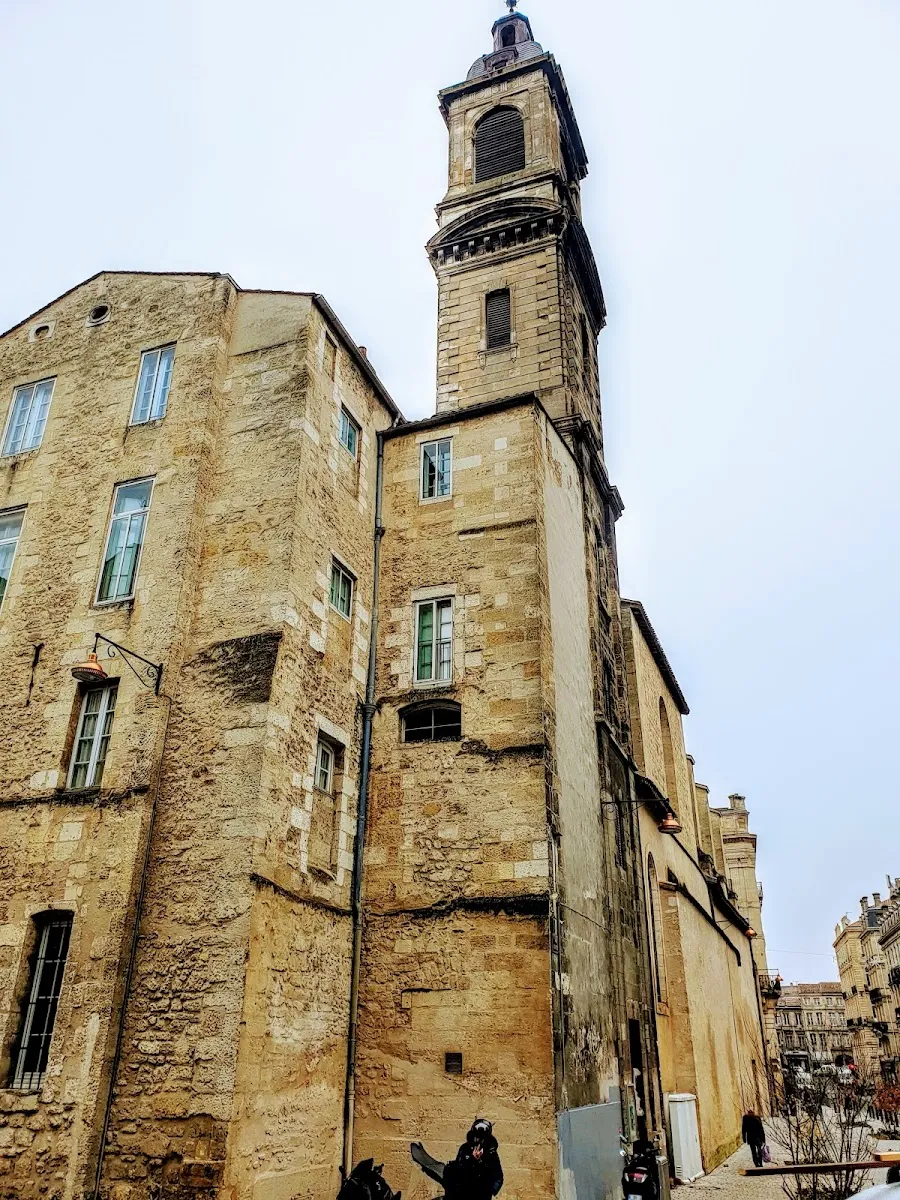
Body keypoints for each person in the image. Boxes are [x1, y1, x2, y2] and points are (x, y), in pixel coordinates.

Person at [412, 1118, 504, 1199]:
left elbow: (498, 1176)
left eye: (481, 1138)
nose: (478, 1141)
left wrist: (489, 1191)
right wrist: (473, 1160)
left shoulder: (491, 1155)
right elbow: (460, 1171)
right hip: (462, 1191)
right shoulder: (465, 1149)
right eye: (476, 1137)